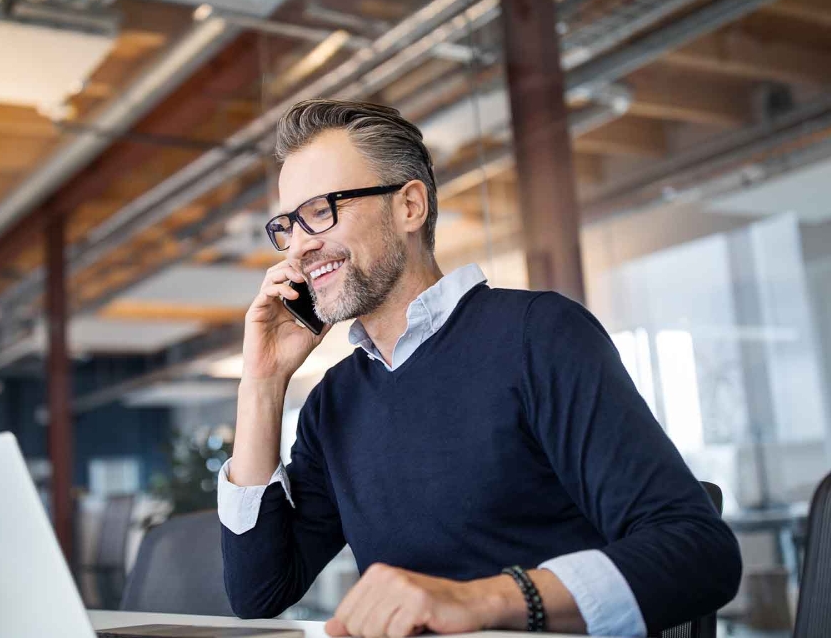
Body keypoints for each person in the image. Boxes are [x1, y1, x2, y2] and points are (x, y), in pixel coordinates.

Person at [218, 99, 741, 637]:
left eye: (322, 210)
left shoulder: (538, 335)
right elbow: (260, 592)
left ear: (409, 207)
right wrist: (261, 383)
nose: (300, 246)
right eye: (287, 225)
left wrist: (482, 601)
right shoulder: (336, 401)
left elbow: (697, 553)